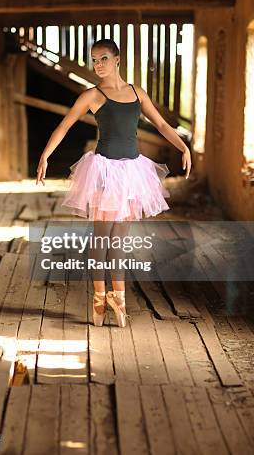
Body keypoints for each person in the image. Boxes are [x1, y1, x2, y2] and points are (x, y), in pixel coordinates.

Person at [36, 38, 192, 327]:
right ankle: (98, 296)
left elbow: (160, 124)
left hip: (132, 172)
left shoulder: (136, 92)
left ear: (117, 60)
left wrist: (183, 147)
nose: (98, 65)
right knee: (102, 237)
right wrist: (45, 155)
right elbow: (65, 125)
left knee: (119, 240)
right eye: (94, 60)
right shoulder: (91, 96)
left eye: (103, 59)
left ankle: (117, 297)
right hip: (104, 172)